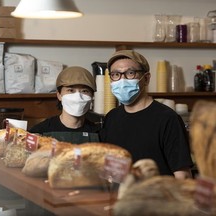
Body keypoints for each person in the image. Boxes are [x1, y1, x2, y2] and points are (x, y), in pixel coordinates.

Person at [99, 50, 193, 179]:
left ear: (146, 78)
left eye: (130, 73)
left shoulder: (167, 118)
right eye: (116, 75)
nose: (122, 80)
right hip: (121, 197)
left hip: (156, 197)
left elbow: (182, 175)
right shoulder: (112, 118)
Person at [30, 66, 100, 143]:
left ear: (92, 96)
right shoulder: (39, 131)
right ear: (59, 95)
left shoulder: (98, 133)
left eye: (84, 91)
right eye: (71, 90)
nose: (77, 97)